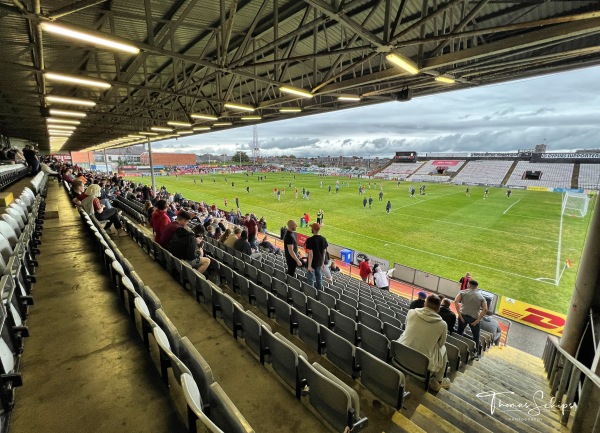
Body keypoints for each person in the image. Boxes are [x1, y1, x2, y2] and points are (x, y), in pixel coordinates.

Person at [397, 294, 450, 391]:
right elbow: (441, 344)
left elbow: (406, 328)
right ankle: (438, 381)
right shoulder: (442, 324)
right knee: (444, 349)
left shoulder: (411, 312)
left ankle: (438, 380)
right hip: (422, 363)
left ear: (425, 304)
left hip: (400, 351)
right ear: (438, 309)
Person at [454, 279, 488, 358]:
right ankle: (475, 352)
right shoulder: (481, 297)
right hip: (474, 318)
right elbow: (485, 309)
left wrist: (459, 314)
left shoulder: (462, 292)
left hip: (463, 315)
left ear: (468, 285)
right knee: (476, 336)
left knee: (459, 332)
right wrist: (477, 320)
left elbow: (456, 301)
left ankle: (457, 348)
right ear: (476, 287)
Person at [304, 223, 328, 291]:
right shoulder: (324, 239)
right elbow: (324, 253)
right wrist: (322, 263)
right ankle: (319, 295)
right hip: (319, 263)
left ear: (313, 229)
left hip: (312, 264)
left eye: (311, 228)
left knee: (310, 280)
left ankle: (311, 294)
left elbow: (310, 254)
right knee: (319, 279)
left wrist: (309, 266)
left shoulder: (310, 240)